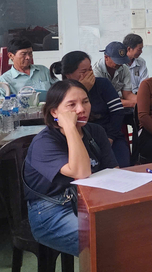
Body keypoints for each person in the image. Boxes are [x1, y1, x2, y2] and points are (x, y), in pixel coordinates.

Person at [24, 80, 118, 256]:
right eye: (71, 105)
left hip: (90, 202)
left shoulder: (96, 131)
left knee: (137, 228)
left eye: (85, 101)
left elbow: (113, 171)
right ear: (54, 112)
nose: (81, 109)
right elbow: (81, 172)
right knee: (105, 242)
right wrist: (69, 127)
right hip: (51, 210)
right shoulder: (44, 142)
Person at [50, 51, 129, 167]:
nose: (89, 74)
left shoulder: (103, 84)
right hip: (77, 138)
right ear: (68, 75)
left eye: (90, 69)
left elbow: (117, 112)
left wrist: (110, 137)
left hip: (109, 134)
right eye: (83, 71)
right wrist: (83, 89)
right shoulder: (61, 93)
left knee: (121, 168)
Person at [92, 41, 136, 108]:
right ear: (106, 57)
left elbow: (127, 94)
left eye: (122, 61)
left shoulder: (124, 69)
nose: (120, 64)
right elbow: (106, 100)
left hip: (117, 104)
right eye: (117, 61)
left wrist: (141, 101)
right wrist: (132, 103)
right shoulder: (96, 72)